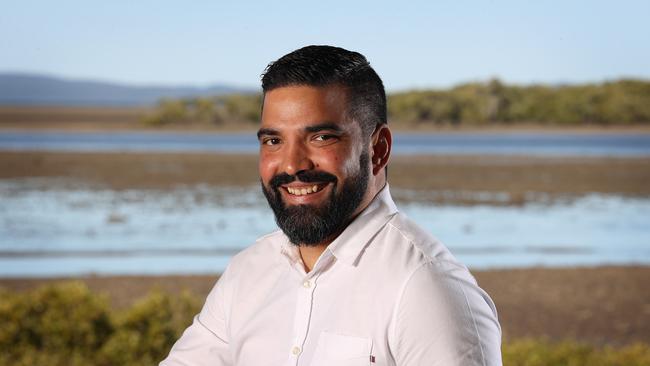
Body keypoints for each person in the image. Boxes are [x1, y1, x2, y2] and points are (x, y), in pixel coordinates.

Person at [160, 45, 502, 366]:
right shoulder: (248, 273)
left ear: (378, 149)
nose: (292, 164)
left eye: (321, 137)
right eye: (274, 141)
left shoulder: (426, 288)